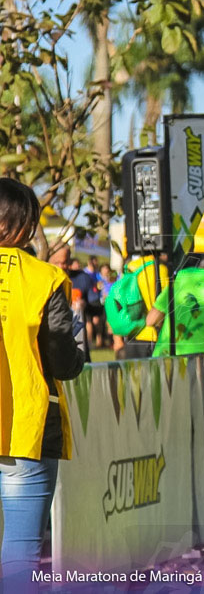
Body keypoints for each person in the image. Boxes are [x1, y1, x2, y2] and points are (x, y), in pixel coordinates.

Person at [0, 178, 85, 588]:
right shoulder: (45, 278)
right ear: (28, 225)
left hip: (23, 429)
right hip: (23, 428)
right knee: (21, 545)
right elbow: (63, 362)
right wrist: (79, 348)